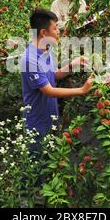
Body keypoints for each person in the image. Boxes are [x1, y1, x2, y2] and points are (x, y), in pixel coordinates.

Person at [20, 8, 94, 152]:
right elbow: (49, 91)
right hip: (37, 123)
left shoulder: (46, 50)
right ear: (43, 32)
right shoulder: (30, 59)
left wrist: (72, 65)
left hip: (51, 118)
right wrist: (82, 90)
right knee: (36, 166)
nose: (58, 31)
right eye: (55, 28)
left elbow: (52, 75)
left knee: (49, 162)